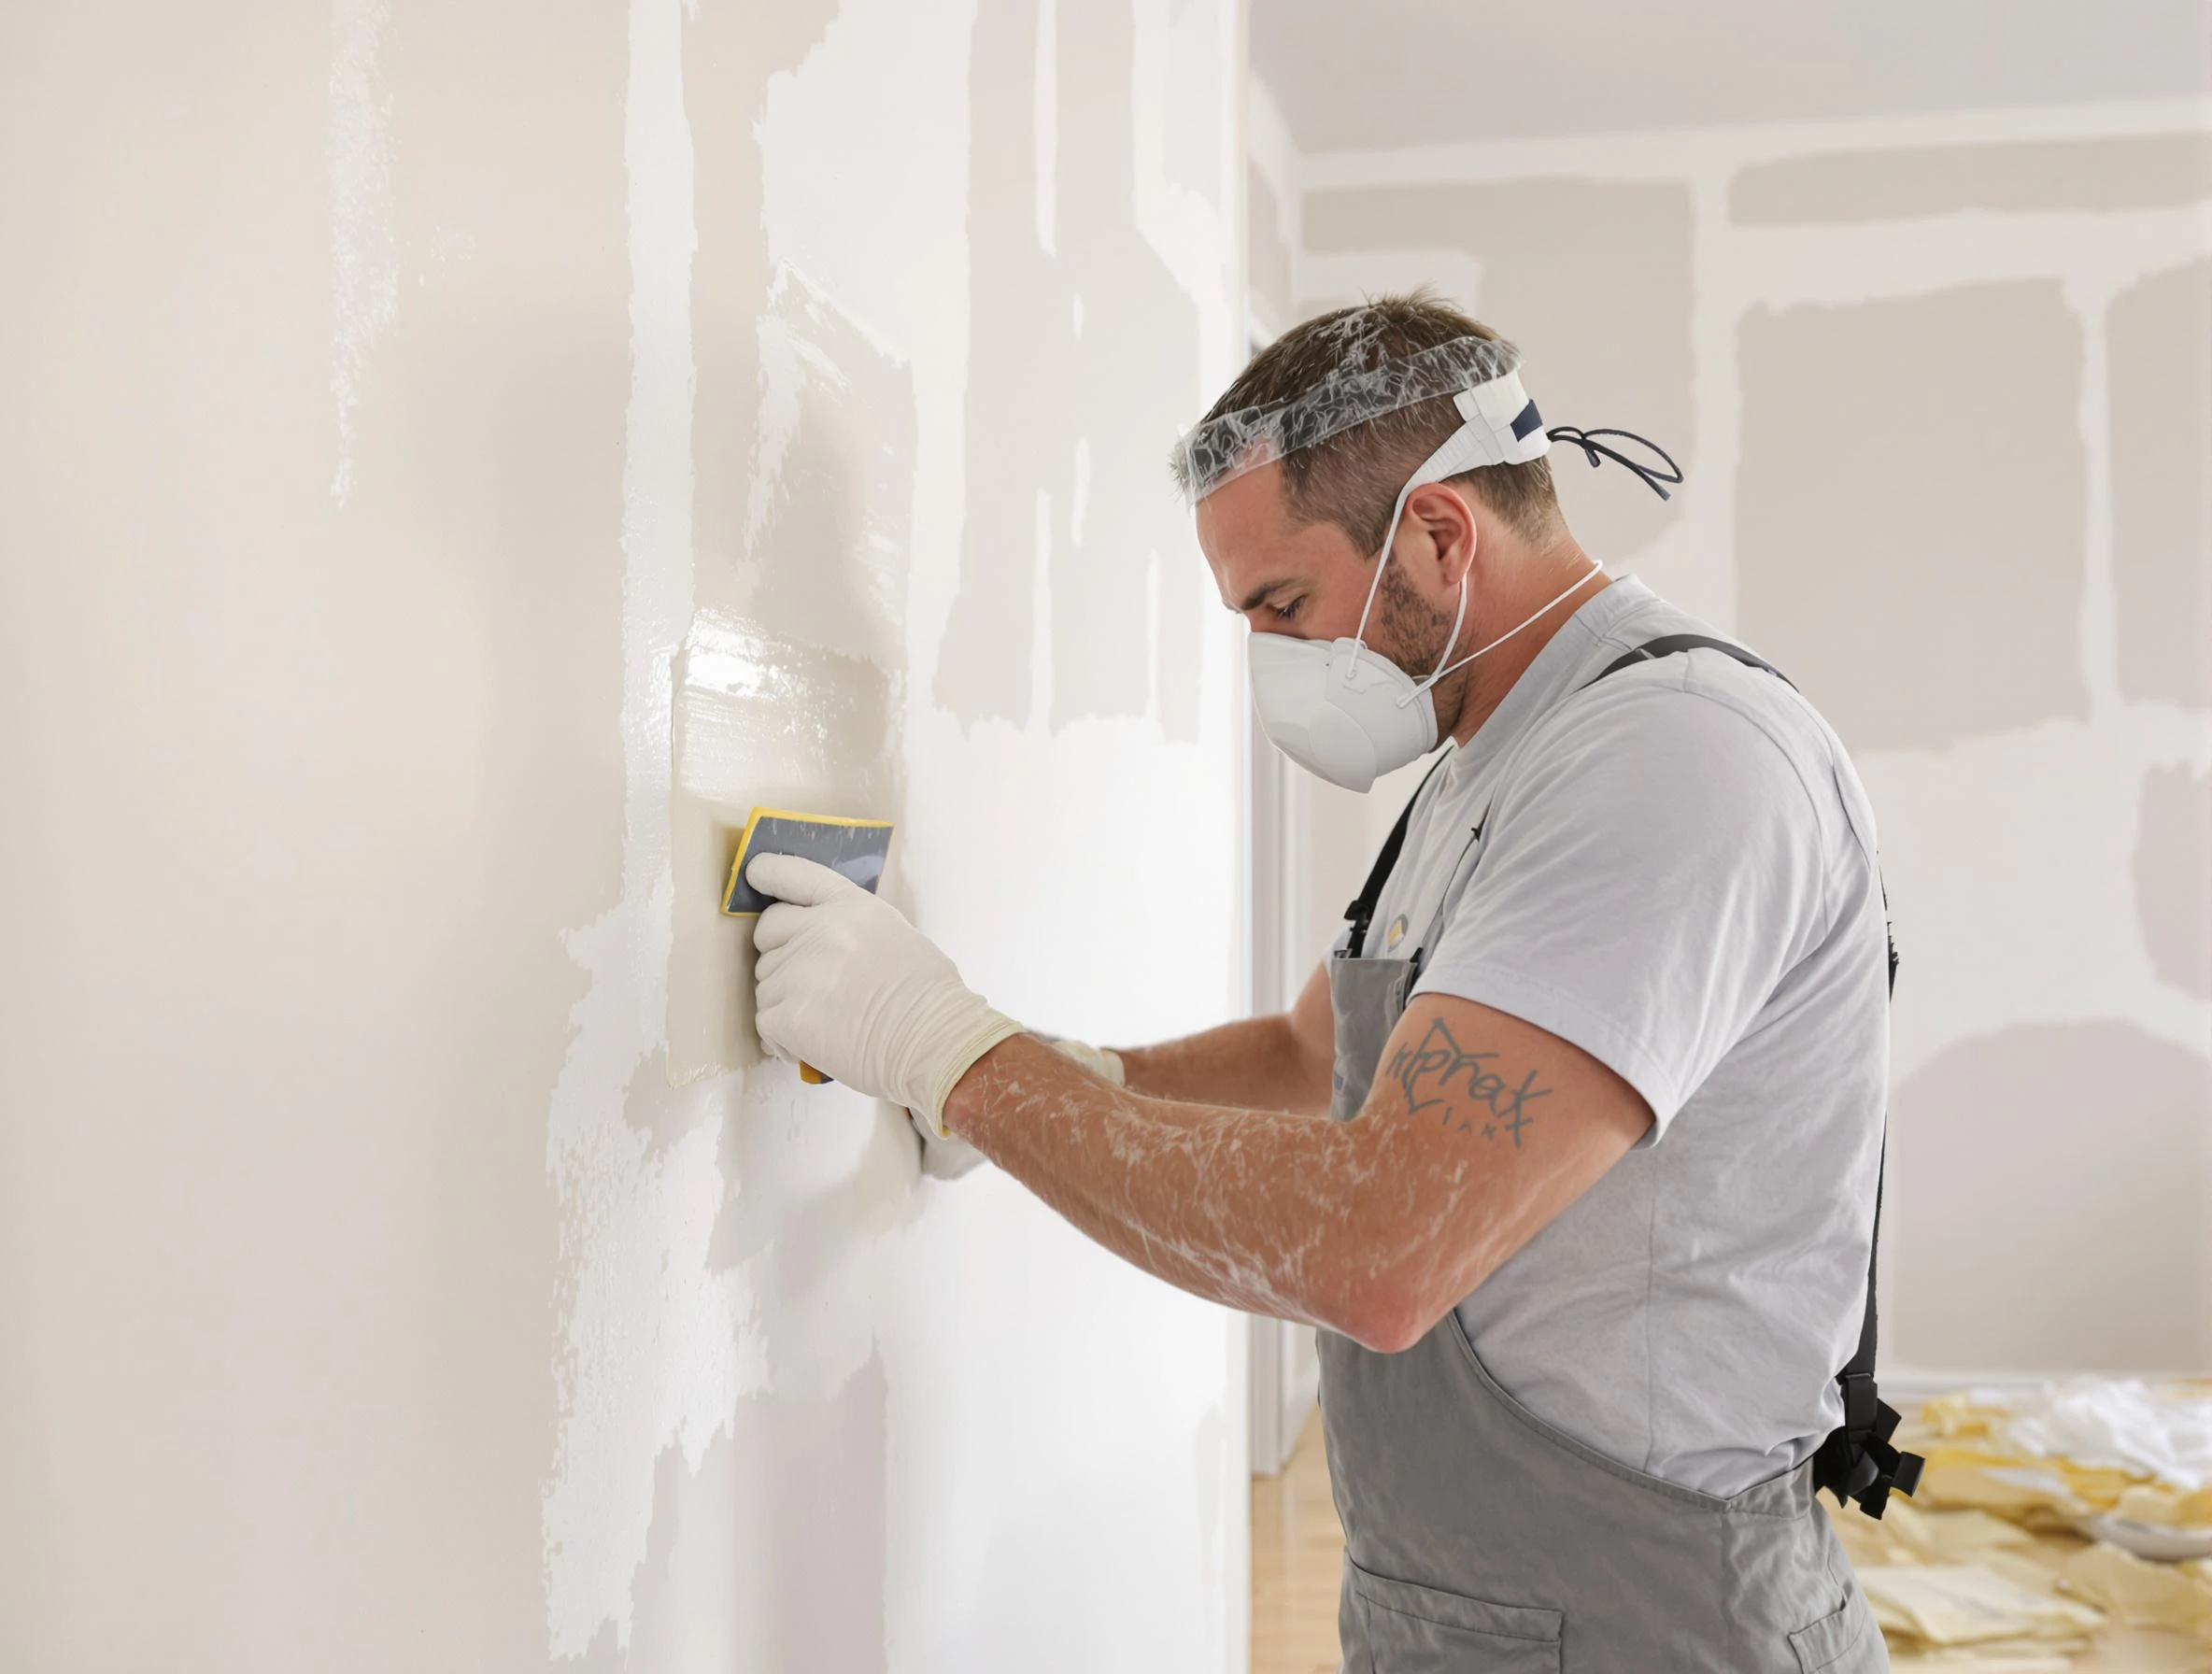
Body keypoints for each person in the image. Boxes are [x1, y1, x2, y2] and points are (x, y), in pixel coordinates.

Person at [744, 293, 1916, 1671]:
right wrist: (1070, 1075)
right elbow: (1319, 1057)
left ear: (1439, 534)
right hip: (1466, 1604)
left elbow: (1385, 1248)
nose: (1271, 657)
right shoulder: (1485, 764)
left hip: (1647, 1622)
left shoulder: (1668, 760)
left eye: (1284, 605)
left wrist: (954, 1059)